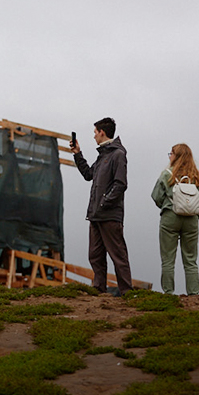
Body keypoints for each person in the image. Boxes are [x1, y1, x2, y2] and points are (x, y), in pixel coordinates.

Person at [70, 117, 133, 295]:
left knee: (118, 255)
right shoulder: (103, 155)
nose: (94, 137)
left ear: (102, 133)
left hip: (110, 215)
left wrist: (104, 202)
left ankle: (127, 292)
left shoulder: (118, 154)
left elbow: (121, 184)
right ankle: (98, 290)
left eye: (95, 133)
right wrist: (77, 153)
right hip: (96, 214)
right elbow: (89, 174)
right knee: (95, 255)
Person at [151, 143, 199, 295]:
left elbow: (156, 196)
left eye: (171, 153)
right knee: (190, 259)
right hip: (191, 220)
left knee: (168, 259)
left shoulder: (166, 174)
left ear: (176, 156)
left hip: (170, 217)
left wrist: (168, 207)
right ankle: (194, 293)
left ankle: (169, 293)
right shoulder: (196, 176)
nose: (169, 156)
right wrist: (191, 210)